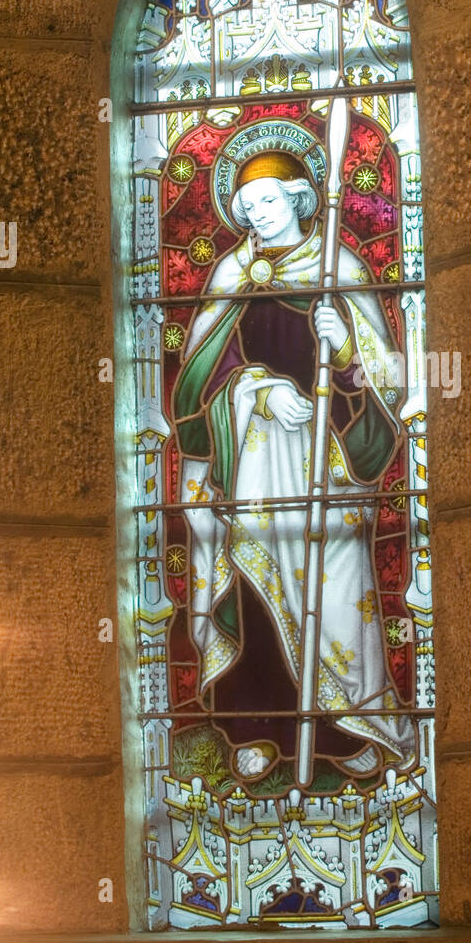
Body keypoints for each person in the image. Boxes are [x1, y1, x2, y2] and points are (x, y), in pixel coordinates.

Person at [172, 149, 415, 783]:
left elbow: (388, 376)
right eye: (247, 208)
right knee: (255, 581)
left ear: (302, 199)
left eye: (270, 202)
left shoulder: (338, 265)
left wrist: (346, 349)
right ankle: (255, 726)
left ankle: (346, 726)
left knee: (336, 592)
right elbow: (195, 384)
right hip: (252, 458)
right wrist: (253, 388)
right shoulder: (233, 273)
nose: (258, 216)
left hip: (327, 460)